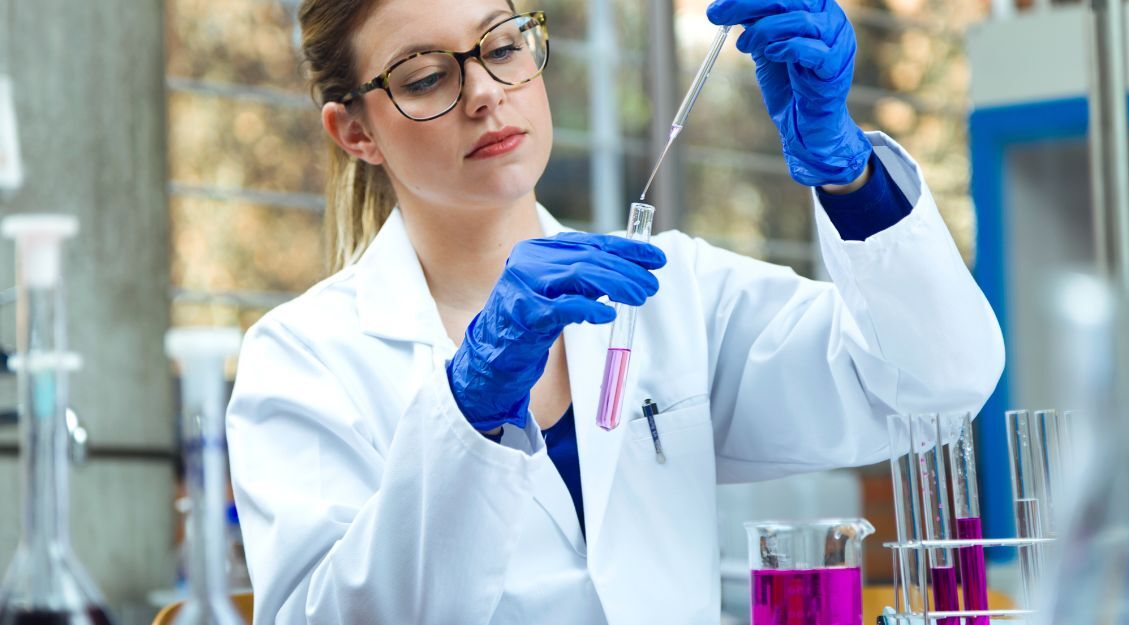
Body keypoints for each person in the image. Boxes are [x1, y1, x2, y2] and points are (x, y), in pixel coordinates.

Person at [225, 0, 1005, 623]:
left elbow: (931, 384)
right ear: (354, 131)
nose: (487, 92)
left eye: (501, 47)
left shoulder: (671, 290)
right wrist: (468, 408)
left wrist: (849, 173)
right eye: (425, 77)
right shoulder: (304, 358)